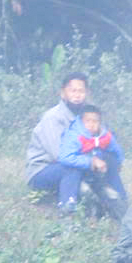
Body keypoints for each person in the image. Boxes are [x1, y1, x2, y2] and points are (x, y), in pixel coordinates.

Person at [49, 106, 128, 221]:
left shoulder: (105, 136)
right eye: (87, 121)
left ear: (100, 123)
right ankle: (74, 213)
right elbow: (65, 157)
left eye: (95, 121)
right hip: (79, 175)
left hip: (98, 174)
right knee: (84, 191)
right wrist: (90, 161)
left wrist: (119, 162)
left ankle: (121, 201)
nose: (91, 125)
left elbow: (116, 151)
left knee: (111, 184)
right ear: (81, 121)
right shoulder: (74, 136)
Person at [24, 72, 88, 209]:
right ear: (63, 93)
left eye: (81, 91)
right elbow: (59, 155)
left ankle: (118, 207)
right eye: (73, 91)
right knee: (71, 167)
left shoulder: (87, 117)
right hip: (42, 170)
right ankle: (66, 212)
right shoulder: (53, 117)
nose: (77, 95)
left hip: (74, 163)